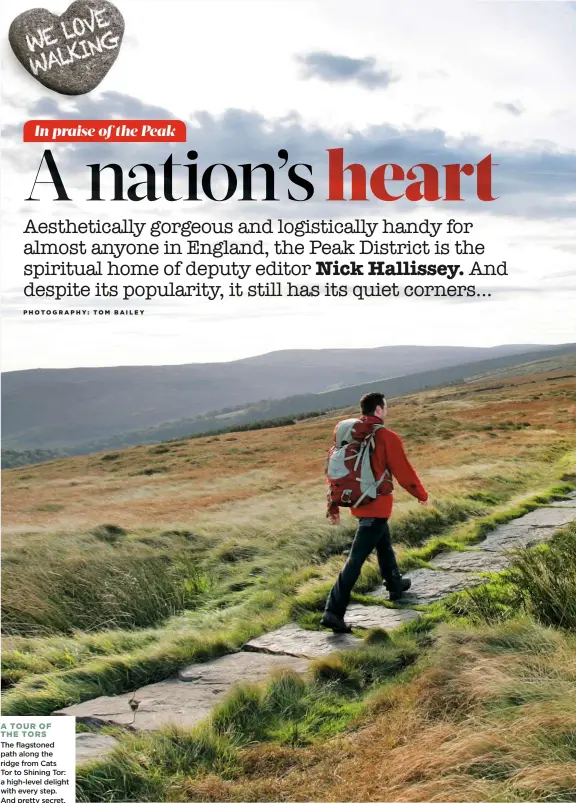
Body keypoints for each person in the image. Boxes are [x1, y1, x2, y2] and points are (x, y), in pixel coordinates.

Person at [320, 391, 429, 633]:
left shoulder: (349, 434)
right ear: (378, 410)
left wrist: (334, 505)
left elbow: (336, 473)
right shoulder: (385, 436)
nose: (386, 412)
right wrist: (421, 494)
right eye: (385, 408)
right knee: (356, 559)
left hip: (358, 500)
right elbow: (403, 471)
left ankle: (395, 584)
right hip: (377, 503)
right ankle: (333, 611)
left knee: (383, 542)